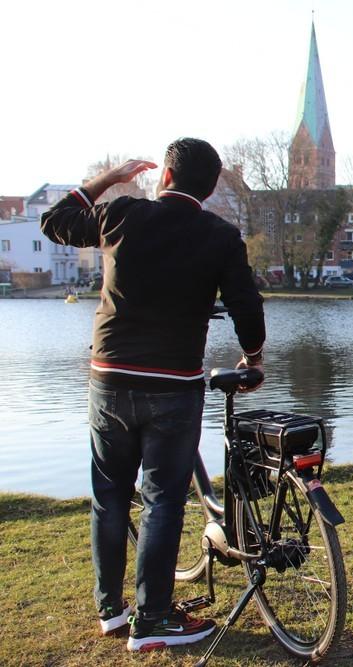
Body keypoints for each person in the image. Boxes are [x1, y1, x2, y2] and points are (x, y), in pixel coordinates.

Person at [40, 138, 265, 651]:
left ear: (164, 175)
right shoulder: (219, 235)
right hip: (174, 385)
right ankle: (154, 618)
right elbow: (246, 306)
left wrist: (109, 179)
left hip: (110, 378)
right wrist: (253, 358)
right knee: (164, 499)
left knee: (109, 496)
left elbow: (56, 221)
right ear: (208, 189)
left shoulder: (121, 214)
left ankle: (111, 611)